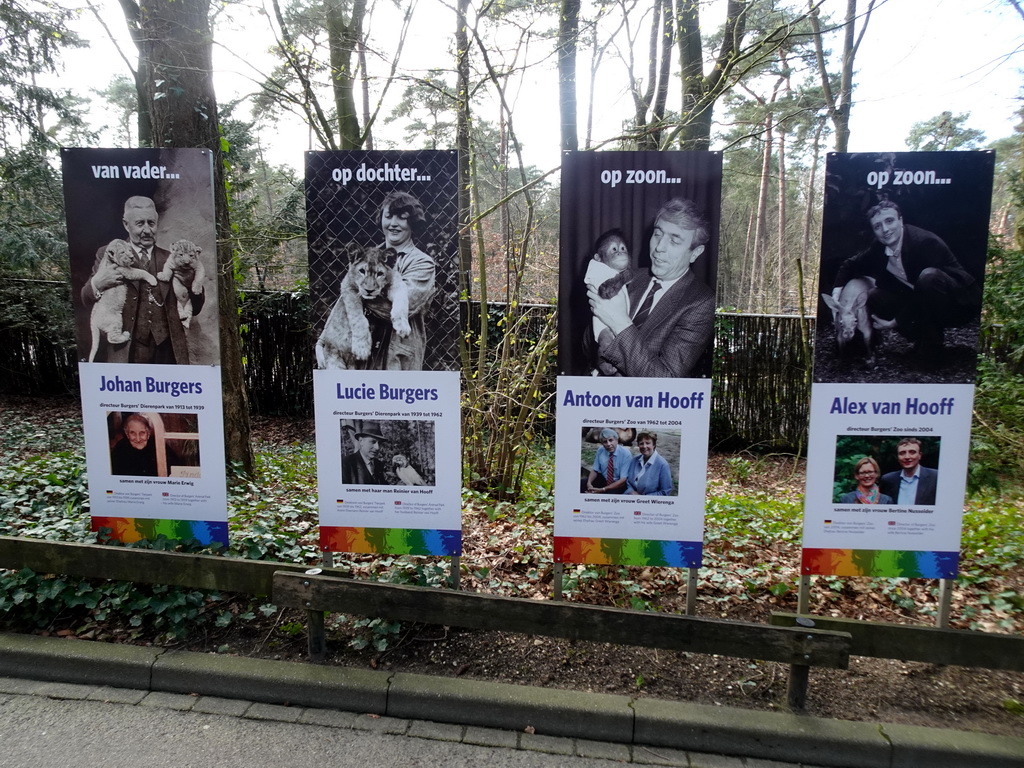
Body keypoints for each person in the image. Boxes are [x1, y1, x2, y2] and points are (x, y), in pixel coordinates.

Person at [830, 201, 981, 358]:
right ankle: (920, 339)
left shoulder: (924, 242)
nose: (885, 230)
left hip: (958, 304)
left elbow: (927, 289)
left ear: (901, 220)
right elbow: (850, 264)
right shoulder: (879, 247)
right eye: (877, 226)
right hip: (921, 298)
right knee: (875, 295)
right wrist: (835, 296)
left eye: (889, 221)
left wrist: (895, 322)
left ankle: (932, 345)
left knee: (928, 278)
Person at [587, 198, 715, 378]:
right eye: (657, 234)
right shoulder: (630, 276)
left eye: (674, 240)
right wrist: (600, 340)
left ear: (695, 253)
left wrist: (619, 321)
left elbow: (664, 379)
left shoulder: (700, 302)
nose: (659, 248)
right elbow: (587, 342)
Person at [80, 196, 205, 364]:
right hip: (127, 350)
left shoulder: (173, 258)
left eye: (151, 223)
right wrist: (97, 283)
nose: (147, 230)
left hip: (168, 349)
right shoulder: (109, 253)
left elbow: (196, 307)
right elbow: (85, 298)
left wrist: (191, 283)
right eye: (140, 224)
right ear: (126, 224)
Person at [363, 191, 436, 370]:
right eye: (388, 216)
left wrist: (360, 294)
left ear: (412, 223)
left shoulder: (422, 262)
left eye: (402, 218)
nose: (393, 224)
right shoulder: (367, 256)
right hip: (364, 349)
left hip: (399, 351)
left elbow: (404, 306)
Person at [878, 437, 938, 506]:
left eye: (912, 452)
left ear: (920, 455)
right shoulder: (888, 480)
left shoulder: (935, 477)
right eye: (902, 453)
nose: (907, 457)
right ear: (897, 457)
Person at [582, 428, 632, 494]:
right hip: (605, 480)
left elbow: (623, 480)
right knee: (583, 483)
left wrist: (603, 489)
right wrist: (589, 483)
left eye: (611, 440)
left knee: (609, 493)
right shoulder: (601, 450)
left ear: (616, 440)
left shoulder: (626, 454)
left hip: (619, 484)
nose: (608, 444)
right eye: (605, 442)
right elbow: (595, 470)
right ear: (602, 443)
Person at [625, 432, 673, 496]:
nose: (644, 446)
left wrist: (641, 498)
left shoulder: (662, 465)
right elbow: (628, 482)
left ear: (654, 445)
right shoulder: (634, 460)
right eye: (641, 443)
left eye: (648, 443)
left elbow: (665, 492)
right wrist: (631, 492)